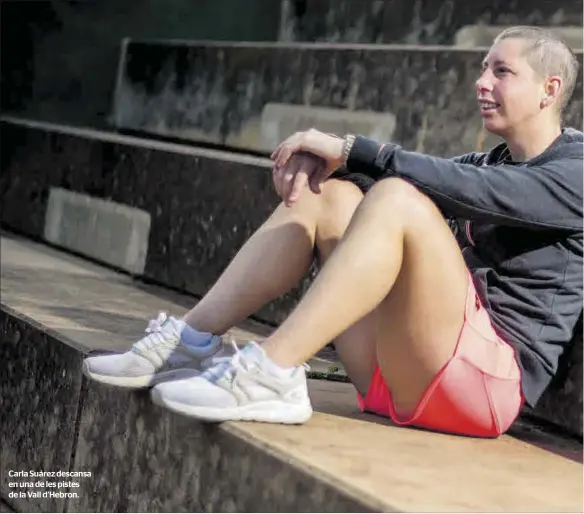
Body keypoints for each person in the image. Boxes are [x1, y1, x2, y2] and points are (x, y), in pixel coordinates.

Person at [83, 26, 583, 437]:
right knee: (332, 195)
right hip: (400, 372)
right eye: (482, 67)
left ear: (549, 89)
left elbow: (469, 191)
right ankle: (190, 342)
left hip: (482, 385)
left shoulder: (575, 170)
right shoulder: (492, 161)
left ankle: (273, 371)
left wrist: (352, 148)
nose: (481, 81)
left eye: (502, 71)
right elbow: (436, 178)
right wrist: (327, 164)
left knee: (397, 197)